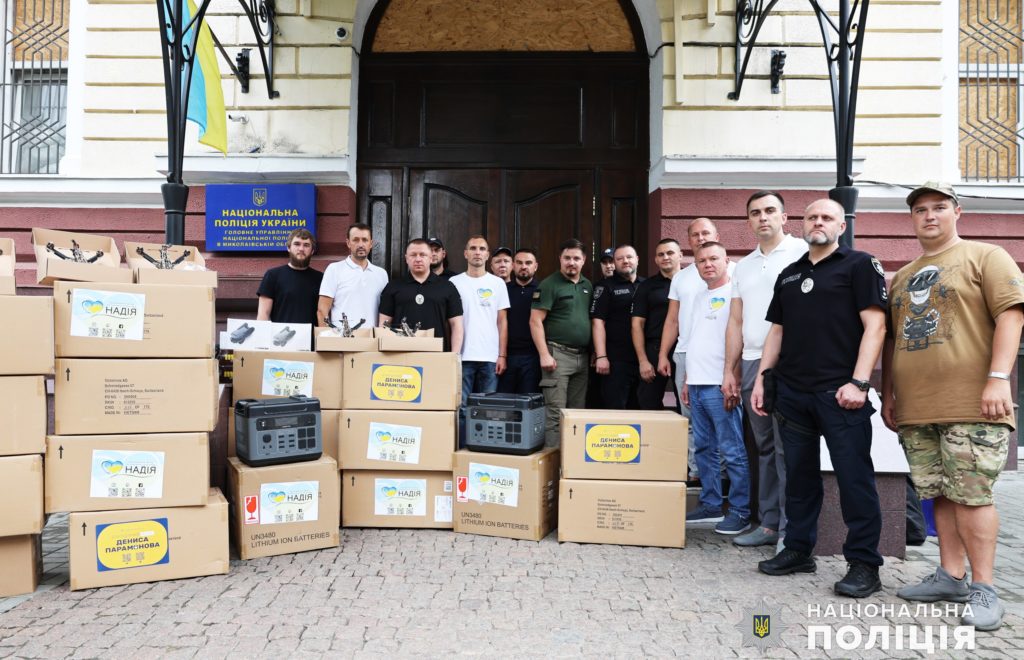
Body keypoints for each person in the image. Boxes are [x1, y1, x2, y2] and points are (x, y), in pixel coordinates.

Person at [881, 182, 1024, 631]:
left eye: (939, 207)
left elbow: (1012, 315)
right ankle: (950, 575)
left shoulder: (987, 257)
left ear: (957, 212)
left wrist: (998, 378)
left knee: (972, 492)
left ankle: (984, 586)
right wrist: (889, 394)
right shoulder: (902, 276)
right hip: (918, 407)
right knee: (936, 491)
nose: (929, 215)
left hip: (973, 402)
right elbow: (895, 339)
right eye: (920, 209)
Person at [751, 199, 887, 599]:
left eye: (827, 217)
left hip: (840, 393)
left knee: (853, 478)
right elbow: (777, 331)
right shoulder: (790, 274)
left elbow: (875, 326)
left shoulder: (860, 265)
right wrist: (762, 380)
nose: (818, 222)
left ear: (841, 226)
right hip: (792, 393)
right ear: (802, 223)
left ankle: (864, 564)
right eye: (812, 217)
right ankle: (797, 549)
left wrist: (859, 384)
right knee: (799, 477)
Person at [724, 192, 808, 549]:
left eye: (770, 211)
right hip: (751, 361)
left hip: (790, 363)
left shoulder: (804, 252)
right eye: (755, 213)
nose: (763, 218)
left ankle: (793, 530)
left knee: (788, 448)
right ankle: (769, 524)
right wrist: (730, 369)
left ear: (785, 217)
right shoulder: (742, 266)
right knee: (763, 447)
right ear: (748, 222)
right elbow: (736, 320)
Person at [683, 242, 751, 535]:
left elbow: (741, 339)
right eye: (701, 261)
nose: (708, 264)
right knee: (704, 450)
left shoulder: (736, 294)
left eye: (713, 259)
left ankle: (739, 511)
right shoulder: (700, 296)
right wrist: (687, 379)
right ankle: (710, 504)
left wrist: (732, 377)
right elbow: (695, 339)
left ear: (727, 260)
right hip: (697, 384)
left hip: (720, 385)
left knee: (732, 451)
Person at [658, 218, 734, 477]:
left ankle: (723, 477)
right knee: (691, 419)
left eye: (706, 233)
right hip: (685, 354)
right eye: (695, 235)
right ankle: (697, 473)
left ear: (717, 234)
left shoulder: (735, 271)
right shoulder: (681, 277)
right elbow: (672, 320)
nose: (700, 238)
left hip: (723, 356)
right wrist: (663, 354)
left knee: (724, 419)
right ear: (688, 241)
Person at [531, 238, 593, 446]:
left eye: (576, 258)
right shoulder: (549, 284)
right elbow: (535, 321)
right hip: (557, 356)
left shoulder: (587, 285)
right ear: (560, 258)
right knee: (555, 414)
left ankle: (572, 466)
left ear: (583, 260)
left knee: (577, 415)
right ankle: (553, 468)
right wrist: (544, 354)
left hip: (582, 357)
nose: (571, 262)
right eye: (567, 258)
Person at [451, 236, 510, 401]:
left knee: (487, 408)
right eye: (473, 248)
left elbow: (502, 322)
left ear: (487, 255)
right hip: (462, 356)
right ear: (465, 253)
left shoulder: (498, 283)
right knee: (460, 407)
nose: (477, 252)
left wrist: (502, 355)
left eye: (482, 249)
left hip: (490, 357)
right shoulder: (453, 282)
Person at [379, 238, 464, 352]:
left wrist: (455, 355)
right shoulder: (393, 287)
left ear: (430, 258)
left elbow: (456, 325)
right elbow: (384, 324)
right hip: (400, 353)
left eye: (422, 255)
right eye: (413, 255)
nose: (418, 259)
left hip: (436, 354)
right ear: (406, 258)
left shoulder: (447, 287)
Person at [631, 238, 683, 410]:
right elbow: (637, 324)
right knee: (648, 402)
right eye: (661, 254)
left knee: (687, 402)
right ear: (656, 259)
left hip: (684, 348)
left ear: (680, 255)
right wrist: (643, 360)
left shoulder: (691, 282)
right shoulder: (647, 286)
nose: (665, 257)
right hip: (653, 350)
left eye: (670, 253)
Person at [591, 244, 643, 409]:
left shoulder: (647, 285)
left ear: (637, 260)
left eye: (629, 257)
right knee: (615, 409)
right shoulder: (606, 286)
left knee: (641, 409)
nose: (625, 261)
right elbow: (598, 322)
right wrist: (601, 356)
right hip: (616, 360)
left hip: (644, 359)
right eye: (620, 259)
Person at [317, 223, 389, 329]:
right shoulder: (334, 269)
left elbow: (386, 312)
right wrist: (326, 337)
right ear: (348, 243)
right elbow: (322, 310)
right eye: (356, 240)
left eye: (365, 240)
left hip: (372, 340)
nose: (361, 244)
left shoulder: (381, 274)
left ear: (371, 243)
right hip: (342, 340)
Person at [498, 248, 542, 394]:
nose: (524, 266)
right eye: (519, 262)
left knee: (528, 402)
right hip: (507, 356)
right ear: (513, 266)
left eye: (528, 263)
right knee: (504, 403)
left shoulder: (543, 290)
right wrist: (501, 355)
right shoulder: (503, 289)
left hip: (533, 357)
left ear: (535, 266)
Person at [256, 228, 323, 324]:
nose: (301, 249)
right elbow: (263, 315)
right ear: (288, 247)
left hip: (311, 338)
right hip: (281, 337)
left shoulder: (320, 278)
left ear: (312, 251)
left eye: (306, 245)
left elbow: (324, 313)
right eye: (297, 244)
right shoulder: (273, 276)